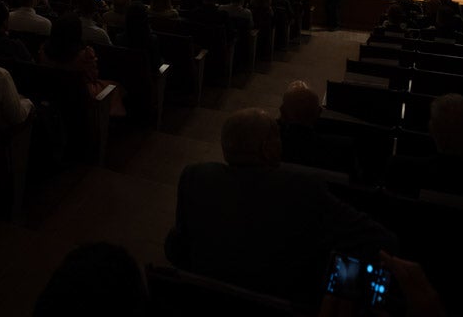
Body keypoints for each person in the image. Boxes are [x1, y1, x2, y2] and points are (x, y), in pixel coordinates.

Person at [165, 108, 396, 308]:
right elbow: (377, 239)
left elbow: (178, 245)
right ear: (268, 148)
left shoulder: (194, 177)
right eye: (277, 137)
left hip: (203, 302)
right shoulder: (303, 189)